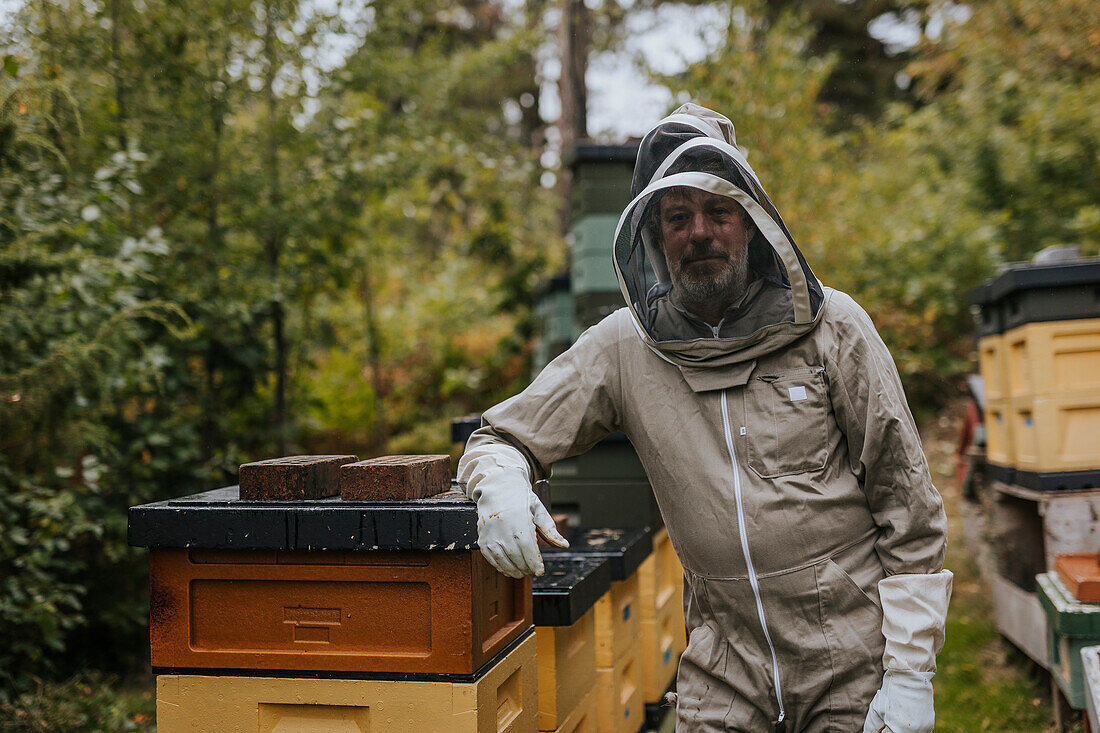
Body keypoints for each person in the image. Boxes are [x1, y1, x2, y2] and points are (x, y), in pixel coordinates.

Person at [458, 103, 952, 733]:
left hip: (850, 653)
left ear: (751, 223)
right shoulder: (624, 346)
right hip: (724, 660)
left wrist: (910, 671)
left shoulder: (836, 330)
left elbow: (907, 506)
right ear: (655, 237)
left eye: (718, 211)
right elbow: (503, 433)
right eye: (677, 216)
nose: (700, 232)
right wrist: (499, 475)